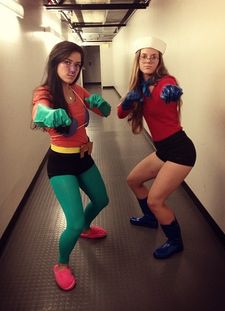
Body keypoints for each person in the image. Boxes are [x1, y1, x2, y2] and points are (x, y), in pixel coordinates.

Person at [32, 41, 111, 290]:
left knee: (101, 200)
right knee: (73, 223)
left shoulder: (77, 91)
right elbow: (38, 111)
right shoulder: (44, 91)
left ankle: (87, 228)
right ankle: (62, 263)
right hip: (61, 163)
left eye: (77, 64)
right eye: (67, 62)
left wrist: (102, 106)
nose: (72, 68)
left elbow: (102, 111)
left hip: (83, 158)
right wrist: (48, 115)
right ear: (55, 62)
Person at [117, 36, 196, 259]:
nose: (149, 60)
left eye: (154, 57)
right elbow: (120, 113)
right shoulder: (139, 87)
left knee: (155, 200)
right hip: (163, 150)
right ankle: (151, 219)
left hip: (180, 152)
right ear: (138, 60)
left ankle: (175, 241)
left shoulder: (166, 82)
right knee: (133, 180)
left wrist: (172, 93)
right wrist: (128, 100)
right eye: (144, 56)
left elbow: (171, 87)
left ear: (159, 60)